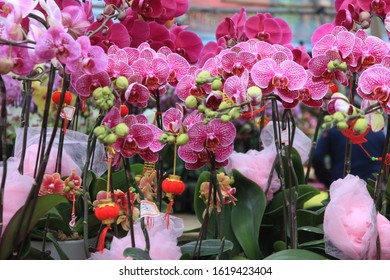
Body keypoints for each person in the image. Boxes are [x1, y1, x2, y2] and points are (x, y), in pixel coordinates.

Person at [312, 126, 385, 188]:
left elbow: (317, 157)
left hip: (341, 186)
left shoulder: (333, 129)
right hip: (371, 186)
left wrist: (328, 181)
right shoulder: (377, 131)